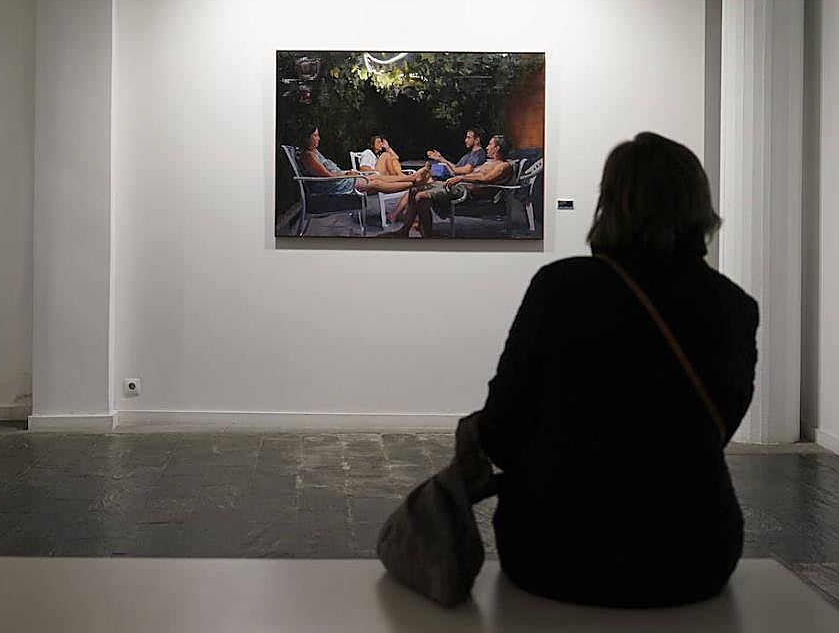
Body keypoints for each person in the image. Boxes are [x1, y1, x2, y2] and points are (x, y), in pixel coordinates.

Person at [477, 131, 759, 608]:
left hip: (556, 551)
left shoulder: (561, 289)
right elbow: (714, 429)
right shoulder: (734, 307)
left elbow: (500, 434)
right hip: (694, 556)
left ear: (610, 202)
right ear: (699, 205)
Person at [386, 135, 514, 238]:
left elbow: (486, 179)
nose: (487, 147)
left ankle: (427, 236)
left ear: (497, 148)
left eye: (490, 144)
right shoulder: (488, 162)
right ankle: (404, 230)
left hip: (465, 192)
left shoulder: (503, 166)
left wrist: (461, 177)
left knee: (421, 196)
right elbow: (466, 172)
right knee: (414, 190)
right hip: (458, 186)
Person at [295, 126, 428, 197]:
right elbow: (327, 176)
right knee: (376, 181)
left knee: (376, 177)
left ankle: (412, 179)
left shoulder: (314, 152)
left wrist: (347, 172)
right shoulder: (308, 155)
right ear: (307, 137)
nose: (319, 138)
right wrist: (347, 174)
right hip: (334, 186)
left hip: (339, 180)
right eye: (316, 135)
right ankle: (413, 182)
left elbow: (330, 172)